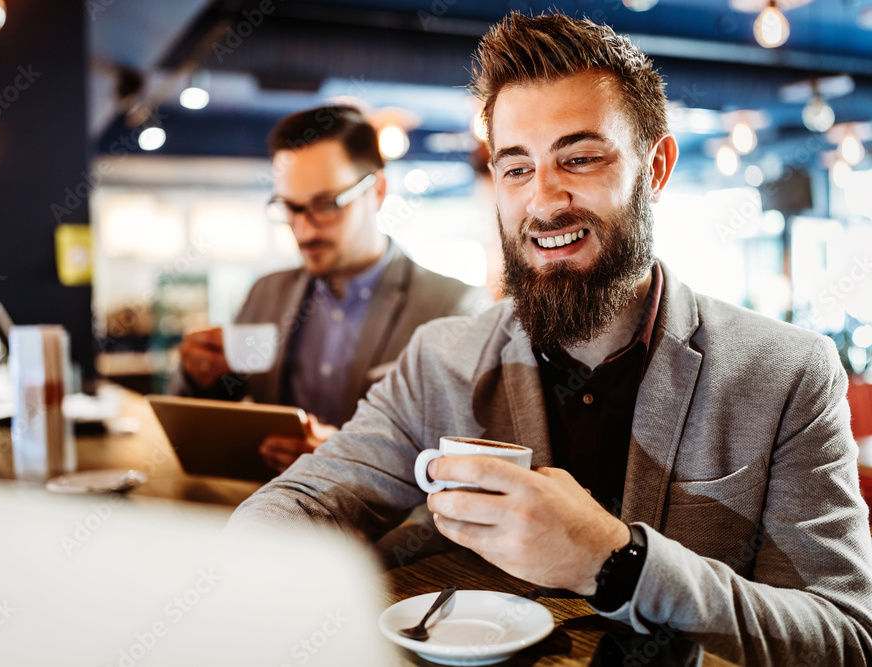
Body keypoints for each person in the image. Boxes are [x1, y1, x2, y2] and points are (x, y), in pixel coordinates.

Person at [229, 13, 872, 664]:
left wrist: (617, 561)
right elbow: (309, 495)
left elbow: (844, 635)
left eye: (580, 158)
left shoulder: (787, 372)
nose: (543, 200)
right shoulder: (439, 359)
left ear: (656, 167)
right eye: (515, 168)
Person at [169, 105, 490, 472]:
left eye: (326, 205)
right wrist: (201, 378)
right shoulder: (267, 294)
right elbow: (217, 413)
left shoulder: (452, 306)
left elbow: (465, 459)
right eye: (291, 207)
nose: (304, 230)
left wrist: (347, 458)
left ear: (378, 191)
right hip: (270, 517)